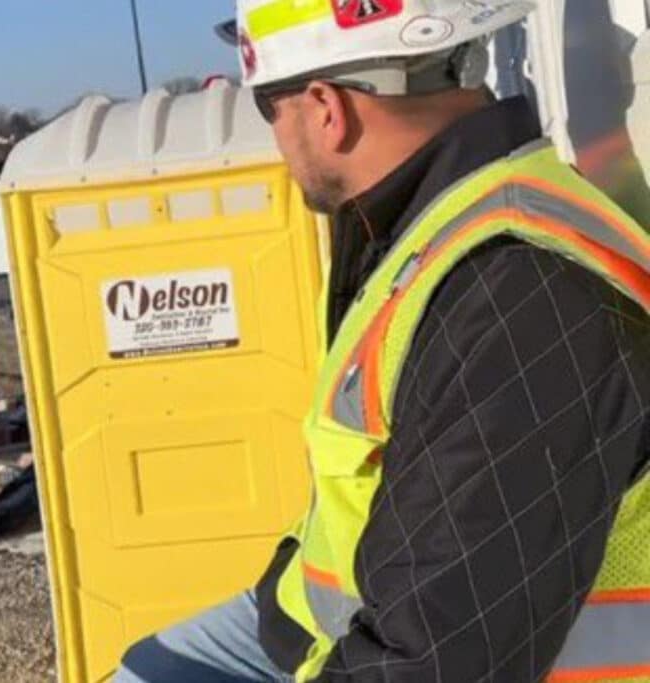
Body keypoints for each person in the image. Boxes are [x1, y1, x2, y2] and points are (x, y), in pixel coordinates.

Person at [114, 1, 650, 681]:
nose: (275, 136)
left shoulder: (517, 295)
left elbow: (435, 659)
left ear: (325, 107)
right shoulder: (425, 224)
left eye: (266, 107)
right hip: (314, 623)